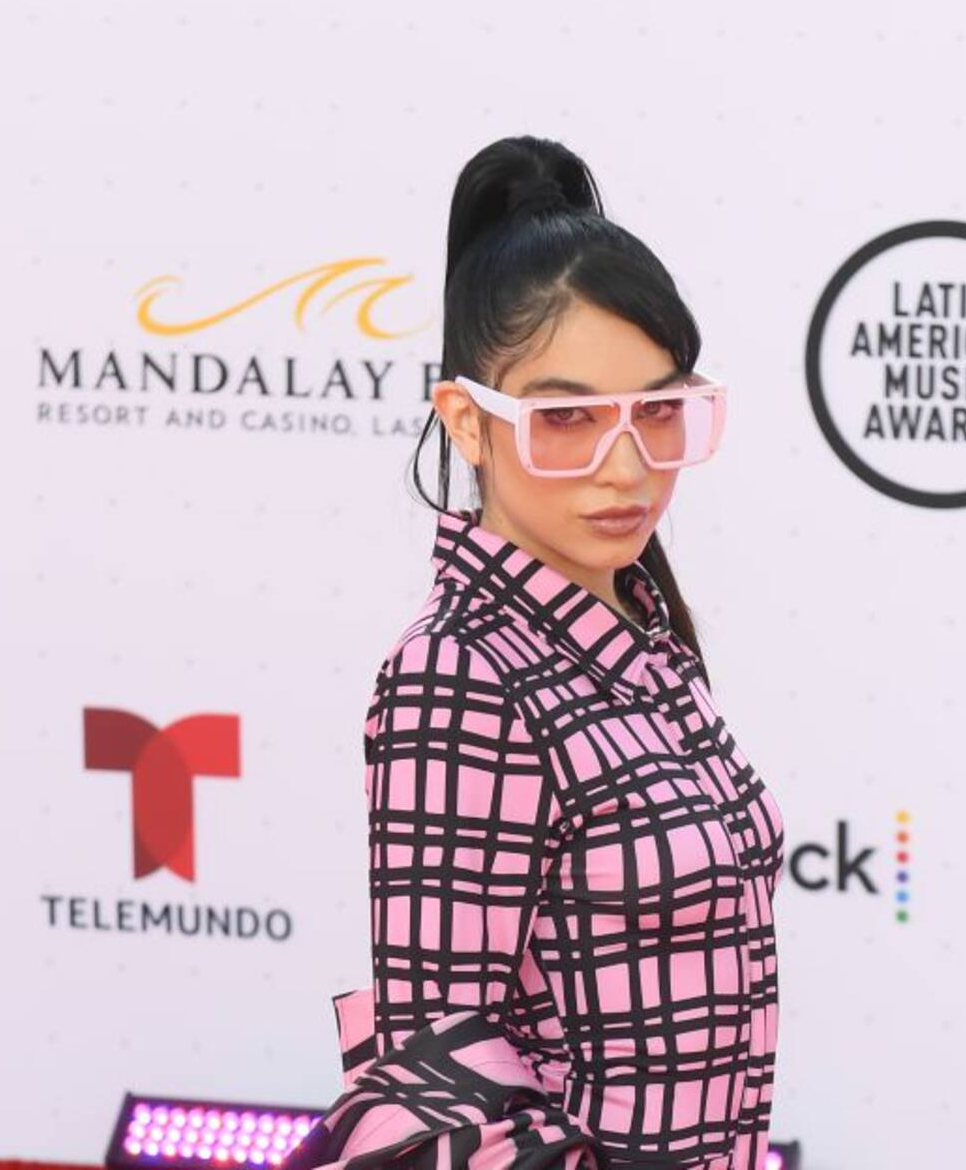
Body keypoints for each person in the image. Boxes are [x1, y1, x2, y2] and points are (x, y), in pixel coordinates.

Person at [285, 135, 786, 1170]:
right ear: (468, 423)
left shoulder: (642, 635)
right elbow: (435, 1079)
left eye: (659, 411)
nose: (626, 467)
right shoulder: (459, 673)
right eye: (566, 419)